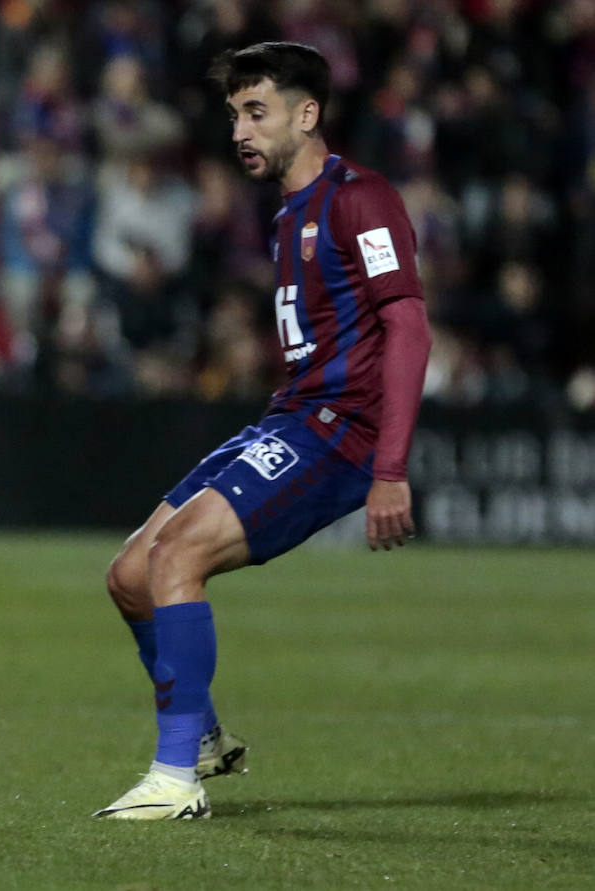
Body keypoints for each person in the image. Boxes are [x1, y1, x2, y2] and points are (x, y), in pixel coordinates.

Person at [93, 42, 432, 820]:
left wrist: (390, 466)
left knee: (178, 555)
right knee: (129, 575)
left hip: (339, 431)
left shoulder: (361, 197)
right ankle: (203, 736)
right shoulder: (287, 215)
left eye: (256, 112)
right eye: (234, 115)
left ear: (306, 114)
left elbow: (409, 327)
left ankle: (176, 779)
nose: (240, 131)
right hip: (289, 419)